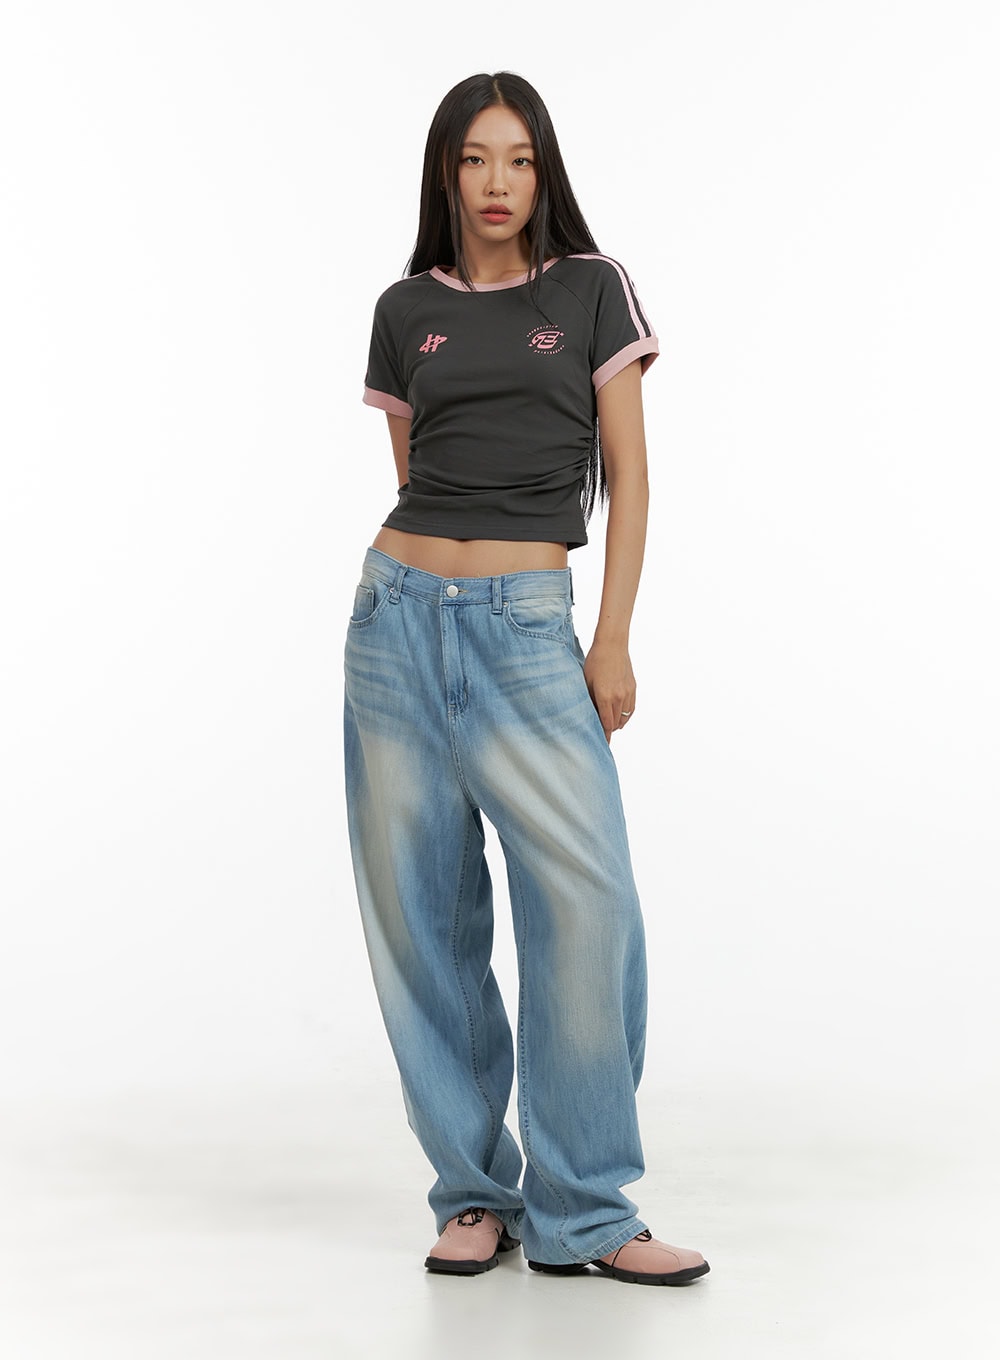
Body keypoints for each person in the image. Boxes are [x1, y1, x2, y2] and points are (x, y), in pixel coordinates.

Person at [343, 70, 710, 1288]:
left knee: (589, 913)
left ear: (543, 172)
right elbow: (417, 475)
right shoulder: (404, 309)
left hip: (529, 627)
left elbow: (630, 476)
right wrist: (425, 597)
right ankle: (473, 1193)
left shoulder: (591, 289)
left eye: (519, 159)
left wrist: (611, 637)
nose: (496, 183)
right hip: (395, 623)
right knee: (421, 920)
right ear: (445, 174)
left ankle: (586, 1209)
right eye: (474, 159)